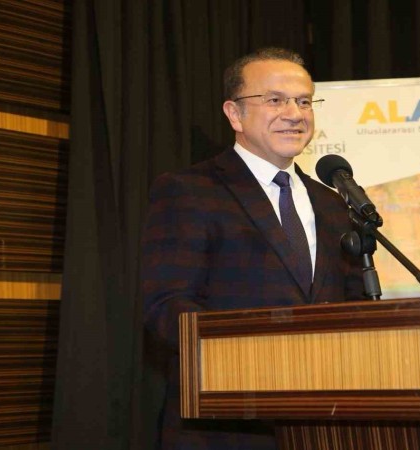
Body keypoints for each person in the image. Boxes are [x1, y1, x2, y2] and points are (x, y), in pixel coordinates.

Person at [141, 48, 365, 449]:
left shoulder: (333, 204)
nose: (294, 114)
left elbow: (353, 302)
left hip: (324, 425)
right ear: (235, 114)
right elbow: (167, 306)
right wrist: (262, 358)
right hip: (227, 427)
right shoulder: (190, 190)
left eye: (304, 102)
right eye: (275, 100)